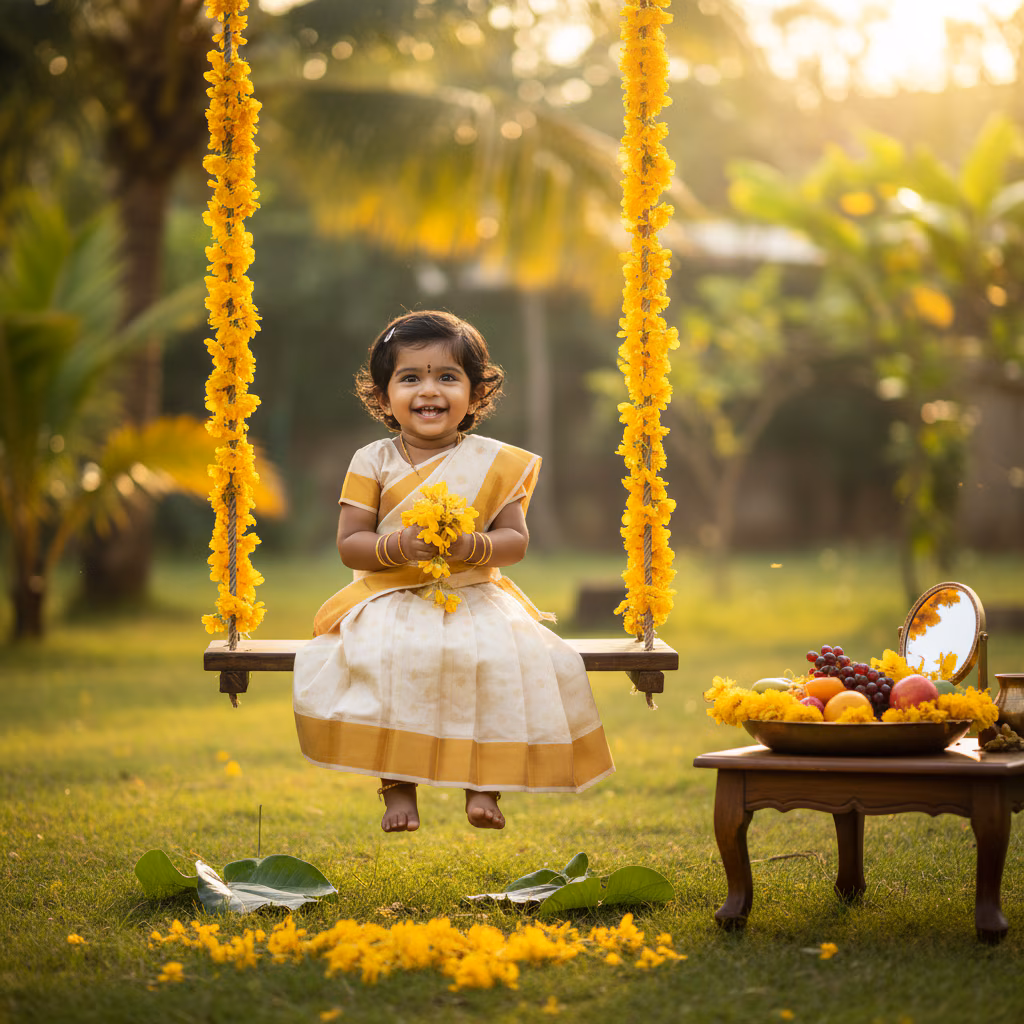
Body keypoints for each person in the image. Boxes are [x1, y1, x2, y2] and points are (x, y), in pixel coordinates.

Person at [292, 310, 614, 833]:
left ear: (475, 394)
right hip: (389, 594)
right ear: (383, 394)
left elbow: (515, 541)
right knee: (390, 659)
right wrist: (401, 546)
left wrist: (471, 544)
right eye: (410, 377)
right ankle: (397, 786)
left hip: (473, 591)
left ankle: (483, 782)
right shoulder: (372, 460)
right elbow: (351, 545)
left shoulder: (494, 462)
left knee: (496, 657)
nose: (430, 390)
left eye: (448, 377)